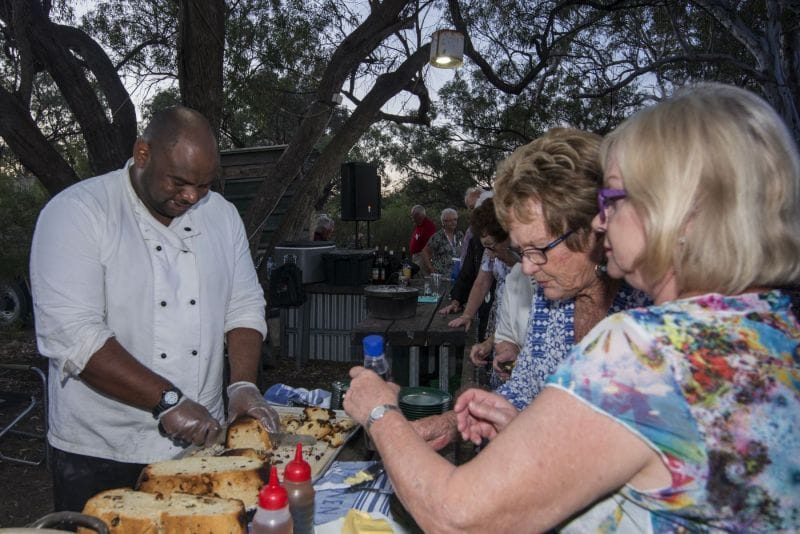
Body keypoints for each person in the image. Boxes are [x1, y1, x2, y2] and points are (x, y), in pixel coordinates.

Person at [345, 84, 800, 531]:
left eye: (615, 200)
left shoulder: (648, 348)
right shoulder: (772, 325)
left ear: (680, 213)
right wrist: (519, 425)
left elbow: (457, 515)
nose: (603, 220)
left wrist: (381, 411)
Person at [30, 106, 280, 512]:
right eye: (180, 182)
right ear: (142, 154)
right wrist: (167, 400)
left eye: (203, 185)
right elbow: (74, 335)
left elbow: (243, 304)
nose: (191, 197)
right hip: (100, 450)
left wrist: (242, 385)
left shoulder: (221, 215)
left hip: (200, 448)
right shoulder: (78, 212)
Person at [410, 127, 648, 449]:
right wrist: (454, 421)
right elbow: (523, 389)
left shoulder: (652, 307)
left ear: (594, 229)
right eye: (522, 251)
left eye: (539, 249)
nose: (527, 267)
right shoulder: (552, 296)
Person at [420, 208, 464, 276]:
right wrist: (430, 268)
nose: (453, 222)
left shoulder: (460, 235)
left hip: (458, 275)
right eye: (450, 220)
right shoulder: (438, 237)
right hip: (442, 276)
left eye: (455, 219)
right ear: (444, 222)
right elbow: (424, 251)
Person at [408, 205, 437, 273]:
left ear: (419, 216)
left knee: (420, 278)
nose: (412, 219)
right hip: (416, 257)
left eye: (414, 216)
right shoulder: (419, 226)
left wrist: (427, 262)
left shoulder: (428, 227)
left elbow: (429, 246)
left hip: (422, 258)